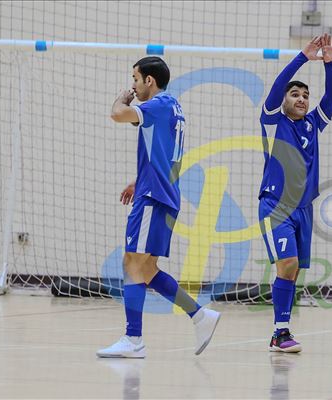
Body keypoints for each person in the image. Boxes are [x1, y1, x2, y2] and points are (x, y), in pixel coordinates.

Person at [97, 56, 220, 358]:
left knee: (132, 262)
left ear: (149, 80)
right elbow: (165, 155)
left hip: (154, 197)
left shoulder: (157, 105)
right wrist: (139, 180)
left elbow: (117, 114)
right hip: (160, 192)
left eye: (135, 79)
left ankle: (133, 339)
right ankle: (200, 315)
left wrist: (122, 98)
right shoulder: (172, 106)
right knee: (147, 268)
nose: (133, 85)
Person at [258, 34, 332, 352]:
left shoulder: (313, 124)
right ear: (284, 100)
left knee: (292, 272)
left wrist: (330, 64)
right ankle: (280, 332)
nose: (302, 99)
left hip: (304, 208)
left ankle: (281, 331)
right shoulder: (272, 121)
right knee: (287, 263)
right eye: (295, 94)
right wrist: (303, 57)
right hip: (276, 205)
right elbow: (279, 85)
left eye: (306, 95)